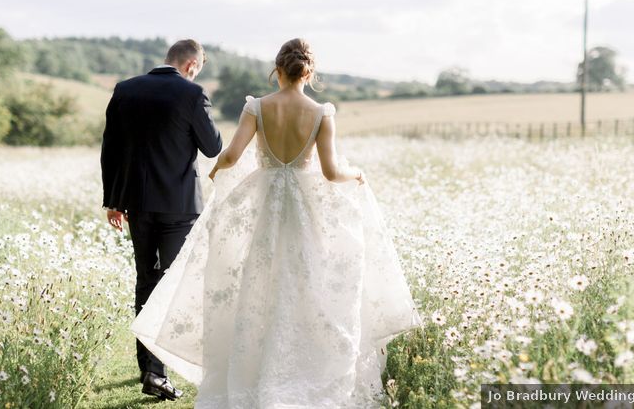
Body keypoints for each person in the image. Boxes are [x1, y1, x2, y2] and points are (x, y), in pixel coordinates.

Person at [131, 38, 421, 407]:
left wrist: (218, 170)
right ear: (309, 72)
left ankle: (256, 370)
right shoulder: (321, 113)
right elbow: (331, 173)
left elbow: (232, 154)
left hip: (265, 206)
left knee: (259, 285)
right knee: (304, 284)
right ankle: (302, 372)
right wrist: (357, 173)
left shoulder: (257, 108)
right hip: (304, 210)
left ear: (277, 71)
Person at [100, 39, 223, 401]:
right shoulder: (193, 93)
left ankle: (151, 369)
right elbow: (213, 147)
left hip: (136, 204)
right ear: (192, 65)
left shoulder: (126, 90)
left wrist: (113, 200)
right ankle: (158, 370)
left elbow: (111, 147)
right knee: (173, 285)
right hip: (180, 207)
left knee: (146, 281)